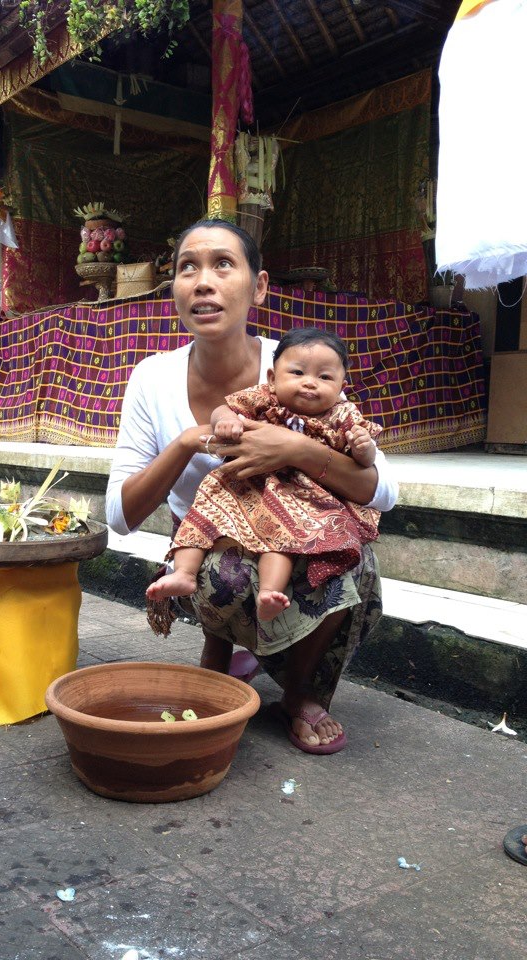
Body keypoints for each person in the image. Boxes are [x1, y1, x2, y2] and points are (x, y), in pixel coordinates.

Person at [105, 219, 398, 754]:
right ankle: (225, 655)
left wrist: (298, 451)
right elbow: (118, 515)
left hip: (297, 531)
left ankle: (298, 692)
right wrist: (187, 442)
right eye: (187, 267)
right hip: (210, 544)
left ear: (258, 287)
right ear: (173, 291)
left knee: (354, 559)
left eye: (223, 264)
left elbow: (384, 492)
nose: (203, 281)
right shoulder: (152, 377)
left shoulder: (297, 364)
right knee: (226, 573)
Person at [145, 327, 382, 627]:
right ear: (272, 378)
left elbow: (365, 462)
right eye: (297, 372)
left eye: (325, 377)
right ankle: (183, 573)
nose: (310, 383)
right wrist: (226, 421)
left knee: (282, 541)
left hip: (301, 499)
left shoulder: (342, 415)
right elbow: (223, 408)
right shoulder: (262, 399)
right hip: (243, 487)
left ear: (340, 386)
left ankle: (270, 593)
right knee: (203, 517)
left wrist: (365, 449)